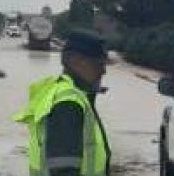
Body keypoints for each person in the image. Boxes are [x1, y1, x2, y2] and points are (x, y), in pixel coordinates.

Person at [13, 30, 111, 176]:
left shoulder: (70, 95)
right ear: (75, 61)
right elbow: (63, 170)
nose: (103, 71)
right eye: (98, 64)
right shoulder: (68, 104)